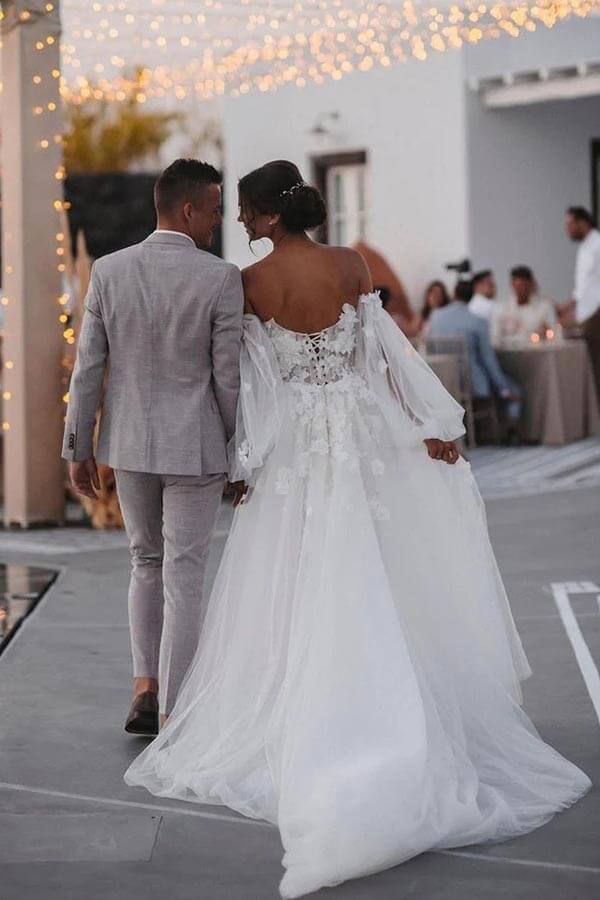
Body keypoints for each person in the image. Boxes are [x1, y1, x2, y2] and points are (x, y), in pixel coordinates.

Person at [125, 161, 590, 900]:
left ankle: (312, 714)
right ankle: (397, 707)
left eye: (244, 210)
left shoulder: (250, 283)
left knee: (295, 576)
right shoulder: (349, 264)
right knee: (382, 568)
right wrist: (428, 421)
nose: (239, 222)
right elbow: (386, 358)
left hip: (295, 449)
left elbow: (254, 388)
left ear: (268, 216)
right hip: (362, 432)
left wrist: (244, 461)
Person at [62, 159, 244, 736]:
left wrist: (78, 446)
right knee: (184, 573)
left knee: (145, 561)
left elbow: (88, 367)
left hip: (129, 443)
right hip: (196, 446)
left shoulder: (109, 270)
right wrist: (239, 451)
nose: (218, 220)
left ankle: (145, 687)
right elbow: (227, 378)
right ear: (188, 210)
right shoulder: (221, 277)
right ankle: (175, 708)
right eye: (214, 209)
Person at [429, 280, 522, 430]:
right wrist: (503, 388)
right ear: (472, 297)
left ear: (454, 294)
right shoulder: (478, 321)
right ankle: (511, 431)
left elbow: (430, 348)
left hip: (442, 380)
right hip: (471, 383)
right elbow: (488, 359)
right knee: (514, 387)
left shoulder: (436, 317)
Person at [562, 206, 600, 399]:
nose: (567, 229)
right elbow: (584, 288)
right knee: (591, 367)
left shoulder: (597, 244)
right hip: (585, 315)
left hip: (596, 315)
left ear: (582, 222)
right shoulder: (584, 248)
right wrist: (568, 308)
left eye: (570, 224)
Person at [491, 265, 558, 346]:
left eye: (525, 285)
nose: (522, 289)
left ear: (531, 284)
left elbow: (553, 333)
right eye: (519, 286)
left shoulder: (545, 306)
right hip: (510, 352)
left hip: (538, 351)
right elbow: (495, 338)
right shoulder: (502, 309)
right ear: (512, 285)